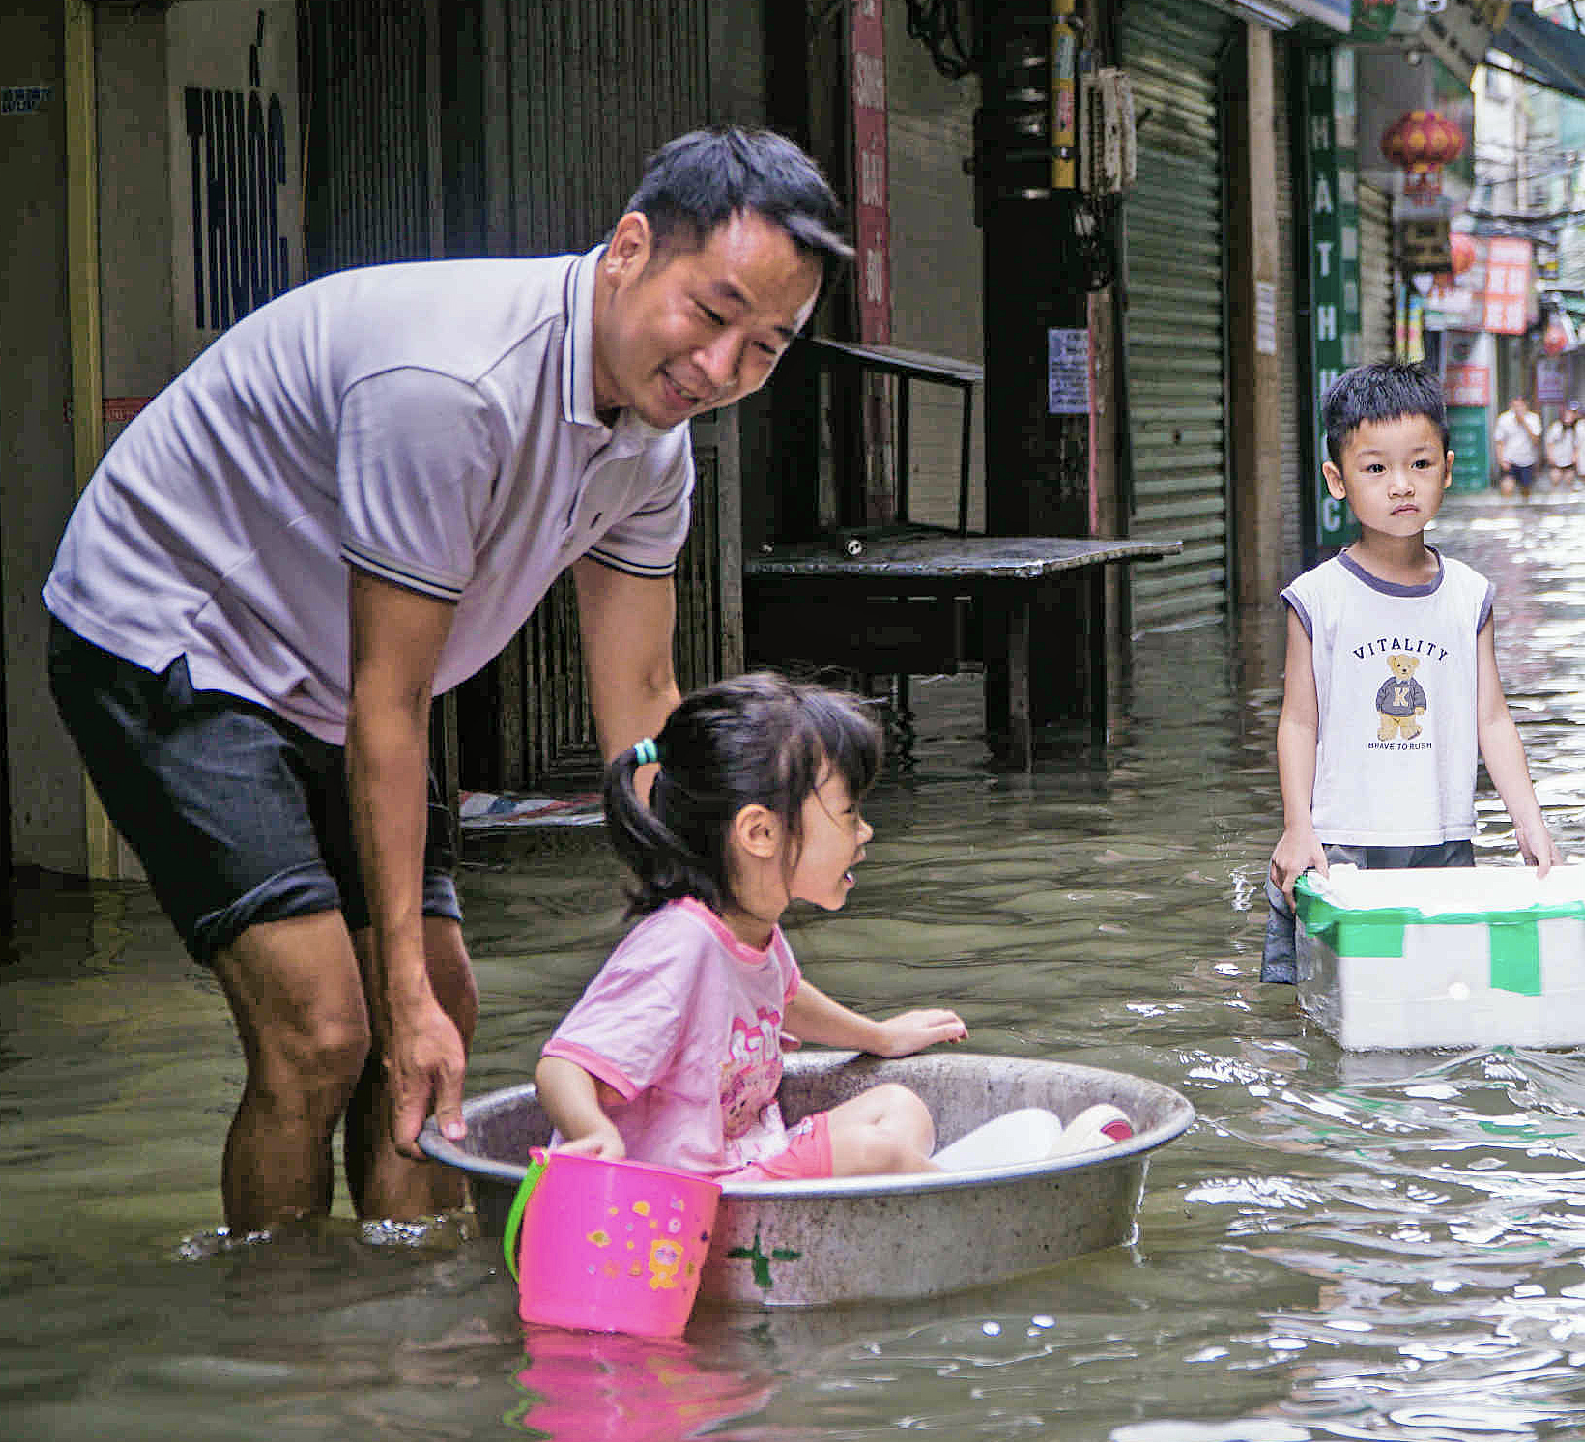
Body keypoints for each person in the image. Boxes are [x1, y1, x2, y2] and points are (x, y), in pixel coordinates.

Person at [42, 127, 855, 1232]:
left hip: (336, 673)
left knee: (446, 1011)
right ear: (627, 249)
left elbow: (644, 699)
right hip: (174, 634)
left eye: (764, 347)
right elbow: (390, 698)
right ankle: (282, 1331)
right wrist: (401, 993)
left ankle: (401, 1309)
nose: (720, 369)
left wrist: (714, 924)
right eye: (709, 314)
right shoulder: (450, 386)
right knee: (328, 1025)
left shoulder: (657, 448)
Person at [536, 674, 968, 1179]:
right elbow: (562, 1065)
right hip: (693, 1198)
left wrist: (879, 1037)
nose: (865, 831)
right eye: (849, 812)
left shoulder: (754, 929)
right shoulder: (680, 945)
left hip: (750, 1158)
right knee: (874, 1152)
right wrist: (595, 1134)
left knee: (900, 1105)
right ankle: (978, 1218)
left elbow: (786, 997)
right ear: (760, 832)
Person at [1260, 363, 1558, 984]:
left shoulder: (1468, 596)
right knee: (1324, 1004)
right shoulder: (1317, 599)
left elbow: (1492, 719)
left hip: (1443, 841)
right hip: (1341, 844)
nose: (1401, 486)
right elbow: (1297, 722)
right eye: (1376, 468)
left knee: (1439, 996)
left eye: (1419, 465)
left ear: (1448, 469)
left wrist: (1527, 818)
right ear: (1336, 481)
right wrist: (1297, 827)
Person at [1492, 395, 1541, 497]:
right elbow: (1499, 441)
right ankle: (1506, 510)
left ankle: (1524, 509)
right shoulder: (1504, 419)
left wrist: (1524, 423)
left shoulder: (1533, 418)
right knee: (1507, 487)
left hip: (1527, 459)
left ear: (1526, 406)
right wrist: (1501, 460)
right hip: (1509, 459)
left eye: (1521, 406)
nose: (1518, 409)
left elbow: (1536, 440)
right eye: (1515, 406)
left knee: (1526, 489)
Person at [1542, 402, 1579, 489]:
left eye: (1572, 414)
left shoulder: (1577, 428)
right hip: (1556, 460)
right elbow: (1549, 443)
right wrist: (1550, 457)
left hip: (1569, 461)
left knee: (1569, 481)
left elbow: (1577, 445)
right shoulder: (1555, 427)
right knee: (1555, 480)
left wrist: (1575, 456)